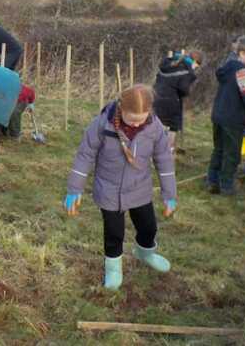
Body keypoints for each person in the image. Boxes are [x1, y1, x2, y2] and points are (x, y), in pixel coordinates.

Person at [64, 84, 178, 289]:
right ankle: (113, 268)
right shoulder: (102, 124)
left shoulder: (155, 127)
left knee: (149, 227)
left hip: (139, 188)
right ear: (121, 108)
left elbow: (164, 159)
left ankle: (145, 253)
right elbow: (84, 155)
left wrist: (169, 194)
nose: (136, 124)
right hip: (108, 189)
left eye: (141, 119)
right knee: (114, 233)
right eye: (131, 119)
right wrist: (75, 189)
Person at [207, 36, 245, 197]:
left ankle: (212, 181)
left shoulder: (228, 68)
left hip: (219, 116)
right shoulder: (244, 72)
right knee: (232, 153)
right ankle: (227, 186)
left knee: (219, 150)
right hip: (233, 119)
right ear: (241, 53)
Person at [153, 50, 203, 153]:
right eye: (197, 66)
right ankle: (170, 151)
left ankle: (154, 148)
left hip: (157, 96)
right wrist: (191, 77)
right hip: (172, 99)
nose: (196, 69)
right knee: (173, 125)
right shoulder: (185, 68)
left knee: (158, 123)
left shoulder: (168, 63)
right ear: (195, 61)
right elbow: (183, 88)